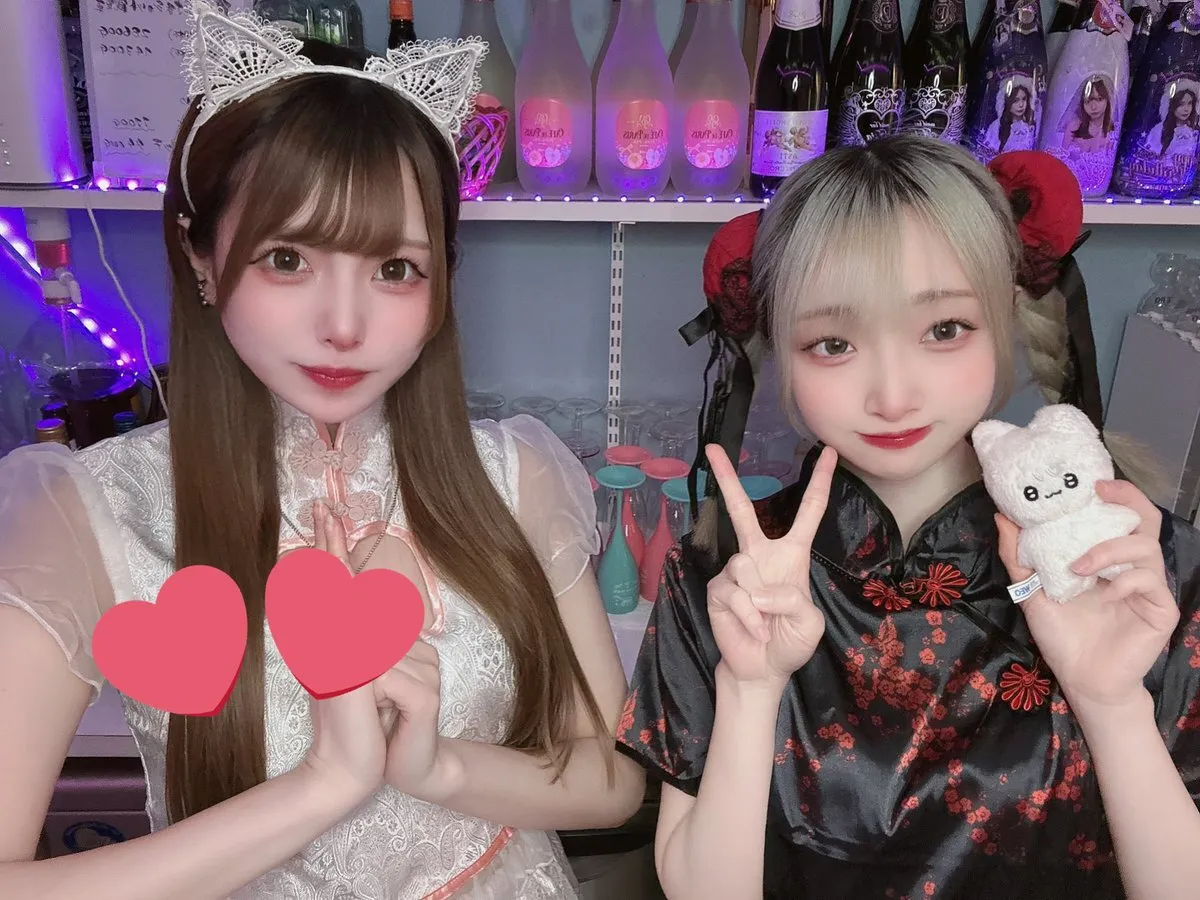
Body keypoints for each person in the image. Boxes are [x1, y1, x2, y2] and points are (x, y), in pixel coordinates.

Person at [0, 3, 642, 898]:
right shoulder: (90, 510)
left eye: (395, 270)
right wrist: (325, 784)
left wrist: (439, 767)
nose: (344, 325)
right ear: (200, 255)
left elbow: (612, 778)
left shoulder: (513, 476)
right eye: (287, 259)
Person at [616, 136, 1200, 899]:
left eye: (943, 329)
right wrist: (751, 689)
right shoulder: (724, 579)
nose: (893, 396)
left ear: (1005, 317)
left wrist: (1111, 704)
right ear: (782, 352)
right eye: (834, 343)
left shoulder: (1135, 567)